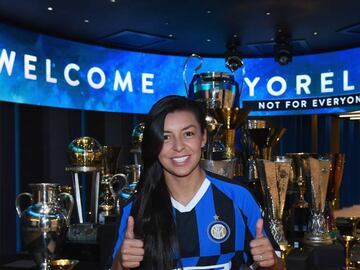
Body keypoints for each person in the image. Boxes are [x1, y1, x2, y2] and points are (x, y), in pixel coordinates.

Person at [110, 95, 283, 270]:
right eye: (166, 137)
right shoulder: (136, 207)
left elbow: (278, 267)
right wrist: (121, 265)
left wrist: (272, 263)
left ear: (203, 137)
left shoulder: (238, 197)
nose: (178, 146)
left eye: (188, 134)